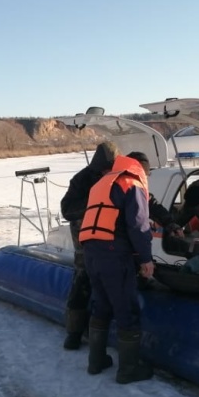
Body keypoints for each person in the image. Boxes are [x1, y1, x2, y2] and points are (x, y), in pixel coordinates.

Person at [79, 153, 155, 384]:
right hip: (114, 255)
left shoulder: (102, 183)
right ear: (141, 169)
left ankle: (96, 361)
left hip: (91, 253)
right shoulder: (131, 183)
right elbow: (138, 225)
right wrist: (146, 260)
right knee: (127, 310)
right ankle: (128, 370)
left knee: (100, 305)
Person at [59, 141, 118, 350]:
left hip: (111, 242)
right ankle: (73, 333)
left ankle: (101, 334)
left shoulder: (119, 177)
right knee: (81, 284)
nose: (106, 172)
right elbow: (67, 209)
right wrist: (96, 202)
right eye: (103, 169)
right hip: (85, 241)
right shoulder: (81, 180)